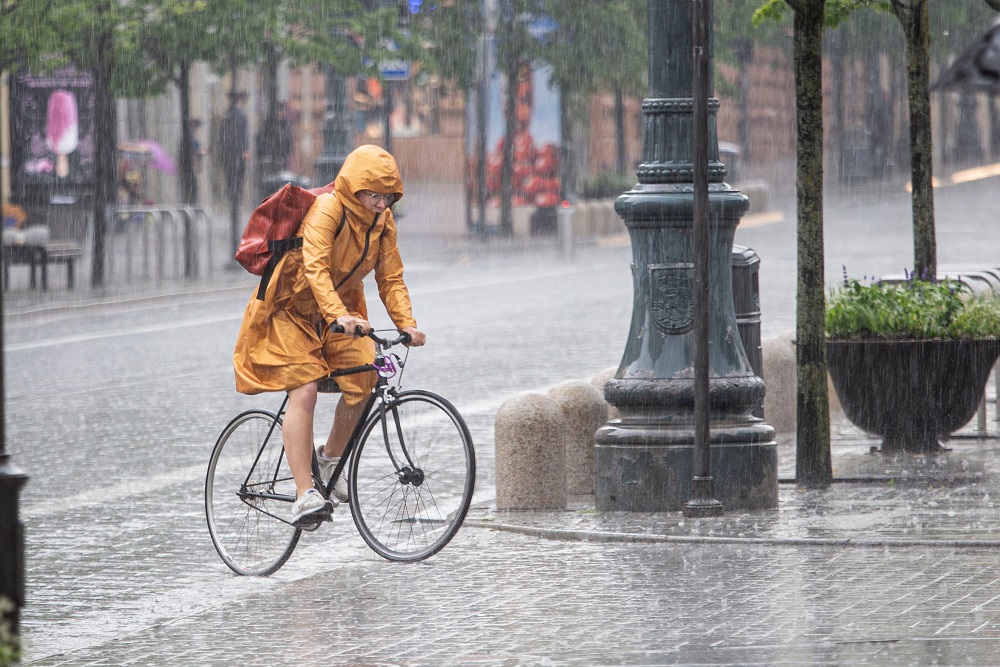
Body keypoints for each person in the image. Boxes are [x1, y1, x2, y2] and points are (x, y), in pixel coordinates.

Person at [233, 144, 426, 526]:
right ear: (354, 189)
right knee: (303, 388)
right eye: (373, 194)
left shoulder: (383, 222)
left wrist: (407, 323)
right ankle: (304, 493)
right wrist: (339, 313)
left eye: (387, 196)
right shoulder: (328, 210)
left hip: (337, 317)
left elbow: (391, 277)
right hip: (289, 310)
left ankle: (328, 460)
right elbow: (315, 267)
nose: (380, 202)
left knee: (367, 376)